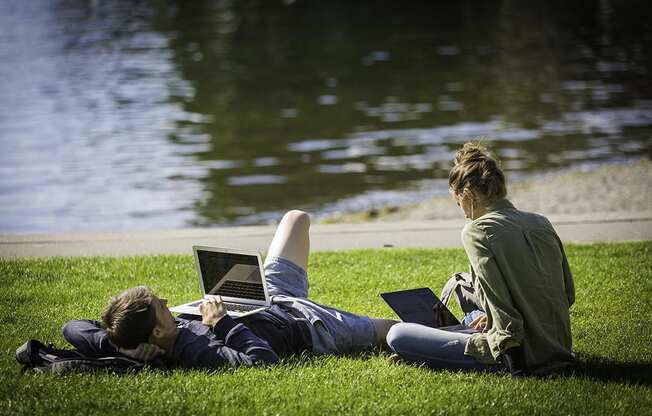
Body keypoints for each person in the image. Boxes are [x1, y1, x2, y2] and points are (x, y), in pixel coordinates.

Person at [63, 210, 397, 369]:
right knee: (392, 331)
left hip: (270, 295)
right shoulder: (197, 351)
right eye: (160, 306)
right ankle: (447, 333)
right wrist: (223, 322)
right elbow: (262, 362)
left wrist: (123, 350)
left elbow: (74, 328)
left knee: (296, 218)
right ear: (157, 330)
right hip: (307, 324)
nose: (166, 301)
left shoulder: (136, 337)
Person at [386, 142, 575, 375]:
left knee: (397, 335)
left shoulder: (476, 231)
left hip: (519, 355)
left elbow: (502, 307)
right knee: (460, 285)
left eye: (458, 202)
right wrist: (490, 318)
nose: (462, 211)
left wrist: (511, 361)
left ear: (468, 195)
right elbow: (567, 293)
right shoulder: (541, 222)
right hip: (559, 346)